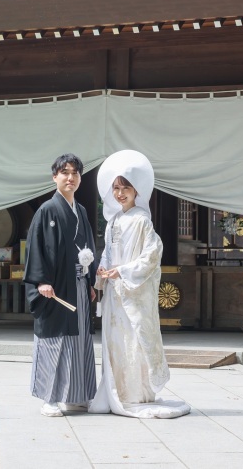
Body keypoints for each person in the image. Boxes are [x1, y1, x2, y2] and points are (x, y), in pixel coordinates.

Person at [89, 150, 190, 419]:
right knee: (116, 342)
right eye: (116, 188)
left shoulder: (142, 221)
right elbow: (108, 254)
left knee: (134, 342)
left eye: (126, 188)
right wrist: (102, 271)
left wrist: (121, 272)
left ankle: (136, 395)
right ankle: (116, 392)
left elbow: (151, 257)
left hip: (133, 295)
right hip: (114, 294)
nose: (120, 193)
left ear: (136, 191)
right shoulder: (112, 222)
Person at [24, 153, 98, 417]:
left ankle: (76, 396)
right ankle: (49, 398)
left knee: (78, 339)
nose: (70, 177)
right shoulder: (47, 210)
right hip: (55, 288)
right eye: (65, 172)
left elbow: (88, 247)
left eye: (75, 173)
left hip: (78, 284)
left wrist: (90, 281)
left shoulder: (82, 211)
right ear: (54, 176)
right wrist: (41, 281)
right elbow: (36, 248)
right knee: (54, 340)